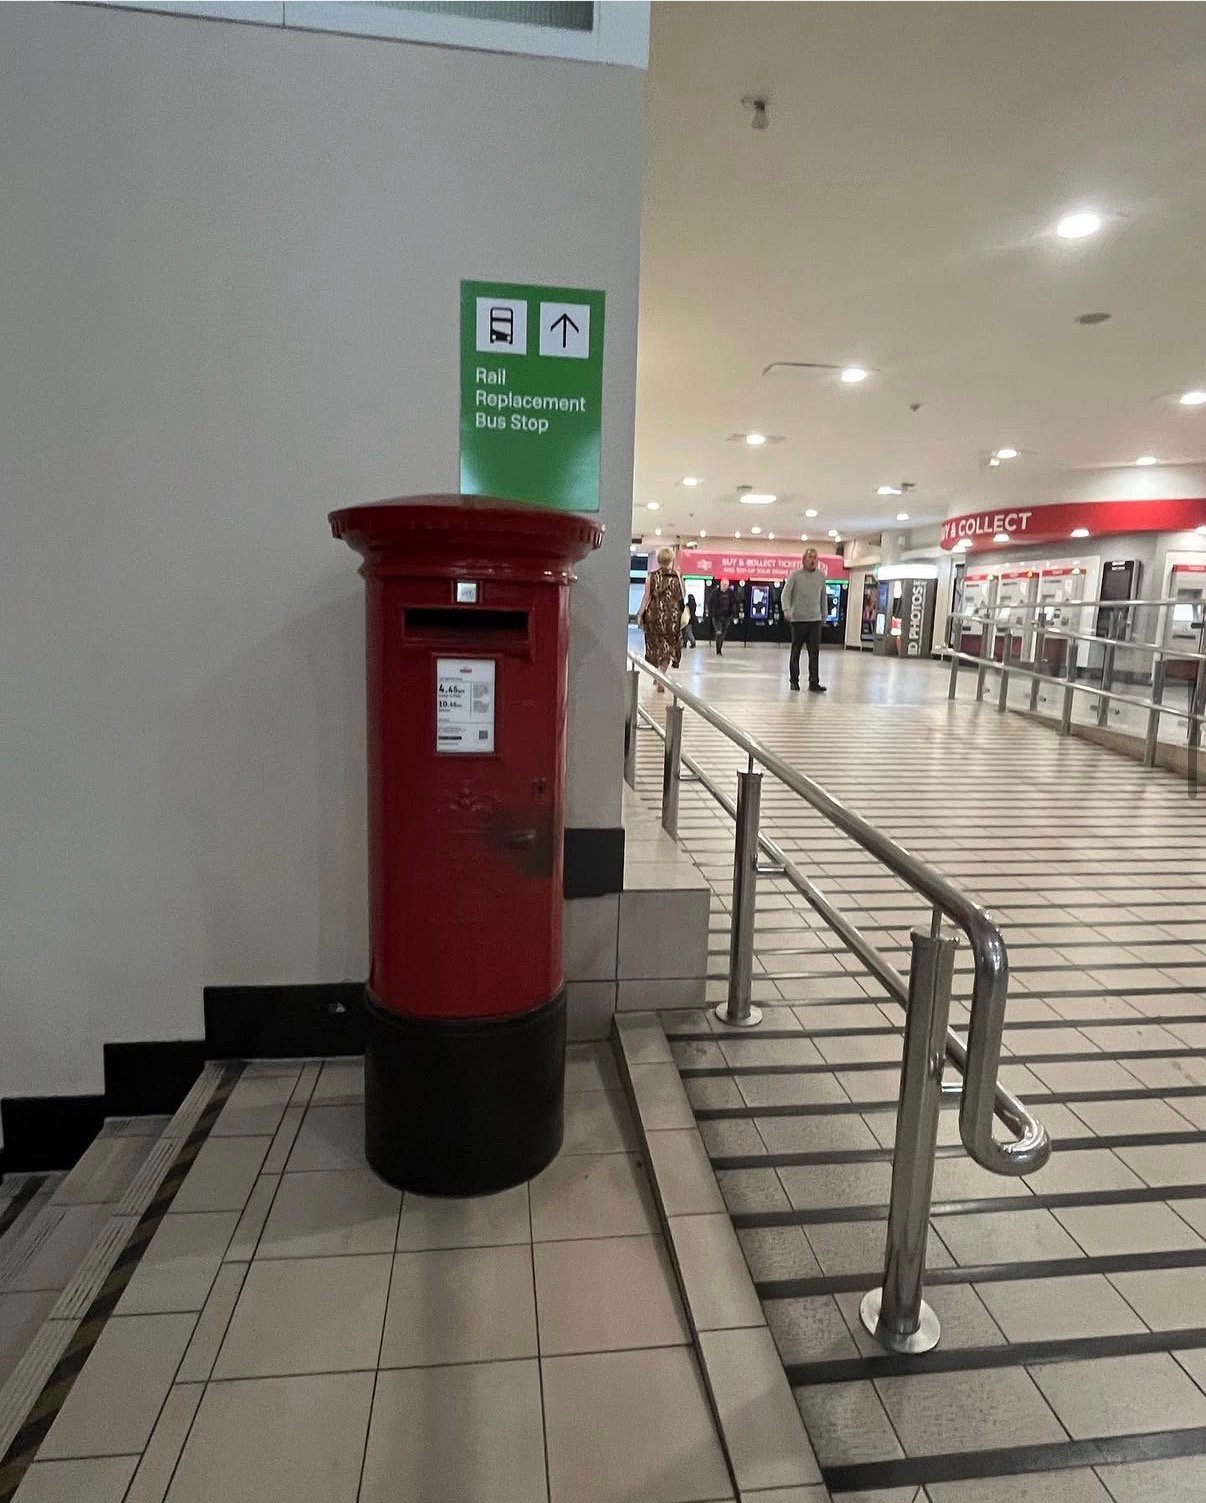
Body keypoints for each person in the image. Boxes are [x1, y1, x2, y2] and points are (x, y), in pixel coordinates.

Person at [636, 546, 685, 692]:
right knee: (669, 649)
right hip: (672, 616)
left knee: (656, 647)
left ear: (658, 560)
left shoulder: (651, 576)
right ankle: (661, 676)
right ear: (671, 560)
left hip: (655, 615)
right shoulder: (677, 576)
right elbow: (682, 596)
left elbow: (646, 598)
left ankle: (658, 676)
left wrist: (640, 614)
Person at [782, 547, 828, 693]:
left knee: (814, 652)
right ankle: (794, 681)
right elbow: (785, 594)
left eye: (815, 557)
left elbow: (823, 597)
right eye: (809, 557)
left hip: (815, 619)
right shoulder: (795, 575)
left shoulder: (821, 576)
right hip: (798, 620)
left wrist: (824, 615)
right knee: (796, 651)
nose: (812, 560)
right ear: (803, 560)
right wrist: (787, 609)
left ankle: (814, 682)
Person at [709, 578, 737, 655]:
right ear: (721, 584)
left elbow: (734, 603)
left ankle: (719, 648)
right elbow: (710, 603)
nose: (725, 587)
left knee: (723, 634)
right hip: (717, 617)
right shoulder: (715, 593)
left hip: (727, 617)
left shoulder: (731, 593)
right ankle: (718, 650)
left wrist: (733, 614)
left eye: (727, 585)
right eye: (724, 585)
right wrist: (711, 613)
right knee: (719, 632)